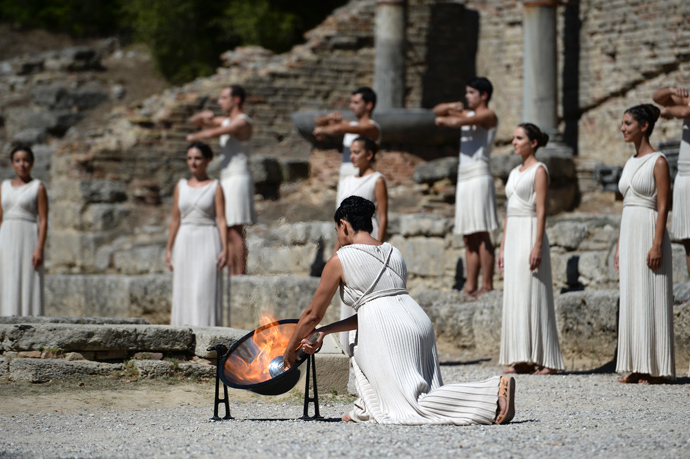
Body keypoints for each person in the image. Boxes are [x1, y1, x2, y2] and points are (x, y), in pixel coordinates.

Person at [282, 196, 516, 425]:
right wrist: (324, 331)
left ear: (343, 225)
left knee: (412, 406)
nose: (338, 237)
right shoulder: (394, 252)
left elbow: (313, 313)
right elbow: (376, 310)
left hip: (390, 332)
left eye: (336, 230)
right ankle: (366, 408)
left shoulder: (340, 259)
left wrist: (290, 351)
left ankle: (492, 392)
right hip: (419, 323)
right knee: (419, 393)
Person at [497, 123, 564, 375]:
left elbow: (542, 209)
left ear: (533, 142)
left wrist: (537, 244)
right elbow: (509, 211)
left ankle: (547, 359)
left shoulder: (539, 170)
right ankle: (522, 357)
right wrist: (502, 247)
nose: (514, 142)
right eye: (513, 138)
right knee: (516, 294)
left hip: (529, 233)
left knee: (534, 291)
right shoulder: (514, 172)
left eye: (519, 138)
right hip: (513, 234)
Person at [614, 104, 675, 384]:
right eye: (622, 123)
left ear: (644, 126)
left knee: (651, 295)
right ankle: (636, 365)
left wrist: (657, 243)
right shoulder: (629, 162)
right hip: (629, 231)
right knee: (632, 297)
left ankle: (655, 368)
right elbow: (625, 206)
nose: (622, 128)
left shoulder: (658, 161)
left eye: (628, 123)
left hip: (649, 229)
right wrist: (618, 245)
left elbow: (664, 206)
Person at [434, 77, 499, 299]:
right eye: (466, 92)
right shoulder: (467, 115)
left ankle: (487, 285)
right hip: (464, 177)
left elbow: (452, 122)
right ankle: (471, 286)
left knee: (482, 232)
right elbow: (438, 113)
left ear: (484, 95)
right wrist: (451, 108)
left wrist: (451, 118)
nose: (467, 97)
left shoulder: (488, 115)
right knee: (468, 235)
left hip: (480, 175)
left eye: (471, 92)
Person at [187, 85, 255, 275]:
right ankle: (234, 272)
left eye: (223, 97)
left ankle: (240, 273)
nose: (220, 101)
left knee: (235, 229)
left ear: (236, 100)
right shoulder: (226, 121)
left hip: (239, 178)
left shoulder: (242, 122)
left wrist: (193, 137)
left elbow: (211, 133)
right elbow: (195, 121)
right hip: (228, 178)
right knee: (227, 228)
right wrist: (202, 116)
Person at [334, 136, 388, 353]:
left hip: (367, 237)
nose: (352, 156)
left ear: (369, 154)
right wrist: (336, 247)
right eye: (351, 152)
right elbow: (339, 219)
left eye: (357, 152)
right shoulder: (346, 180)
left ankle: (367, 347)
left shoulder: (377, 179)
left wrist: (379, 248)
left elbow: (383, 217)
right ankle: (346, 347)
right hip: (347, 239)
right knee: (347, 289)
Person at [166, 142, 228, 326]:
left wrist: (225, 249)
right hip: (184, 240)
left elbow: (221, 219)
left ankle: (206, 336)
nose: (193, 162)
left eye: (198, 158)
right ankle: (181, 334)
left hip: (208, 238)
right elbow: (175, 219)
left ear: (208, 160)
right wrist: (168, 249)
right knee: (184, 287)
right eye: (190, 158)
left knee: (204, 288)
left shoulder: (216, 187)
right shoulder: (181, 186)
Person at [0, 145, 48, 316]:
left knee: (28, 279)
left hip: (28, 237)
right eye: (17, 160)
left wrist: (40, 248)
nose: (22, 164)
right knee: (6, 278)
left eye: (26, 160)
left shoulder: (38, 187)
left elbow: (43, 220)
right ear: (12, 164)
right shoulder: (4, 186)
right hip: (6, 238)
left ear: (32, 163)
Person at [313, 87, 381, 196]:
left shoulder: (372, 127)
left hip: (363, 179)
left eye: (356, 103)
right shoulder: (351, 124)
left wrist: (323, 130)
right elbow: (318, 122)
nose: (351, 106)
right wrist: (329, 116)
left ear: (369, 105)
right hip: (346, 178)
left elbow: (338, 129)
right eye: (351, 102)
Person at [653, 87, 690, 275]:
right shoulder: (687, 99)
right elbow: (657, 97)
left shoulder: (686, 106)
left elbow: (685, 112)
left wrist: (667, 112)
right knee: (688, 240)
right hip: (685, 176)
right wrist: (671, 90)